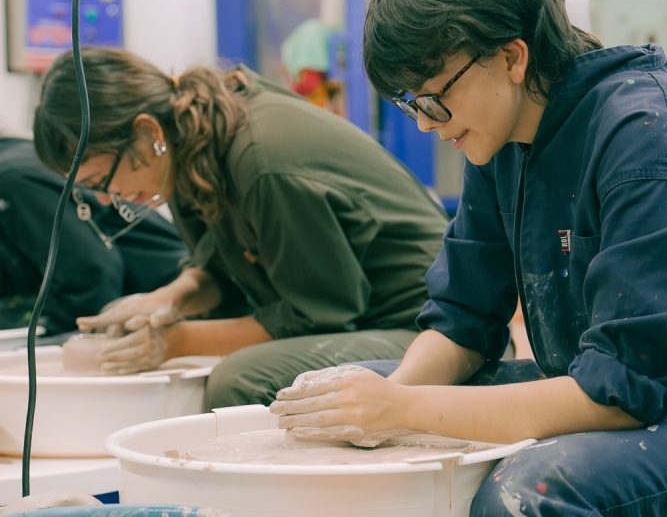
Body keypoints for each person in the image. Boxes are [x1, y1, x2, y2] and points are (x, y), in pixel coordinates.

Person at [269, 0, 667, 516]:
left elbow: (621, 392)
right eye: (410, 101)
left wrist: (401, 411)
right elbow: (463, 324)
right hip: (604, 384)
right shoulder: (501, 140)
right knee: (335, 399)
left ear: (512, 56)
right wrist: (387, 399)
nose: (424, 123)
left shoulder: (655, 142)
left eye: (433, 97)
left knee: (532, 491)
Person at [33, 47, 449, 407]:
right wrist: (170, 299)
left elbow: (321, 315)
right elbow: (224, 271)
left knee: (240, 379)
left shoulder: (262, 162)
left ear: (147, 132)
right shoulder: (188, 144)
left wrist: (175, 342)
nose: (108, 199)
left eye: (100, 182)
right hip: (360, 317)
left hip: (431, 330)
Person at [0, 132, 186, 337]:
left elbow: (88, 272)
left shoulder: (12, 178)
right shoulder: (22, 154)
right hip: (157, 293)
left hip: (167, 302)